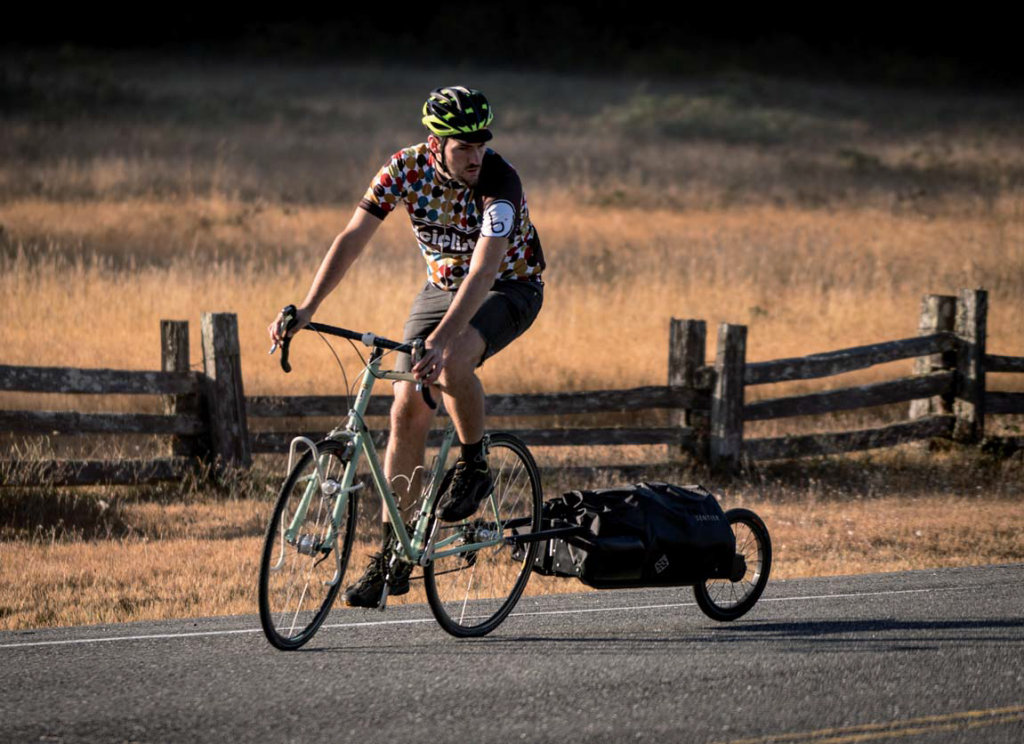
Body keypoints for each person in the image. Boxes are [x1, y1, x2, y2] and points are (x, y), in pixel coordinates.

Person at [267, 86, 545, 608]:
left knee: (451, 362)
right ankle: (394, 551)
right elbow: (353, 236)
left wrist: (439, 341)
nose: (475, 155)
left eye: (481, 144)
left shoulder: (500, 183)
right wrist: (307, 307)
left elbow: (484, 270)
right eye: (463, 147)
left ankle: (474, 464)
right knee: (405, 408)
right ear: (435, 144)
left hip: (509, 287)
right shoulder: (403, 169)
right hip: (440, 289)